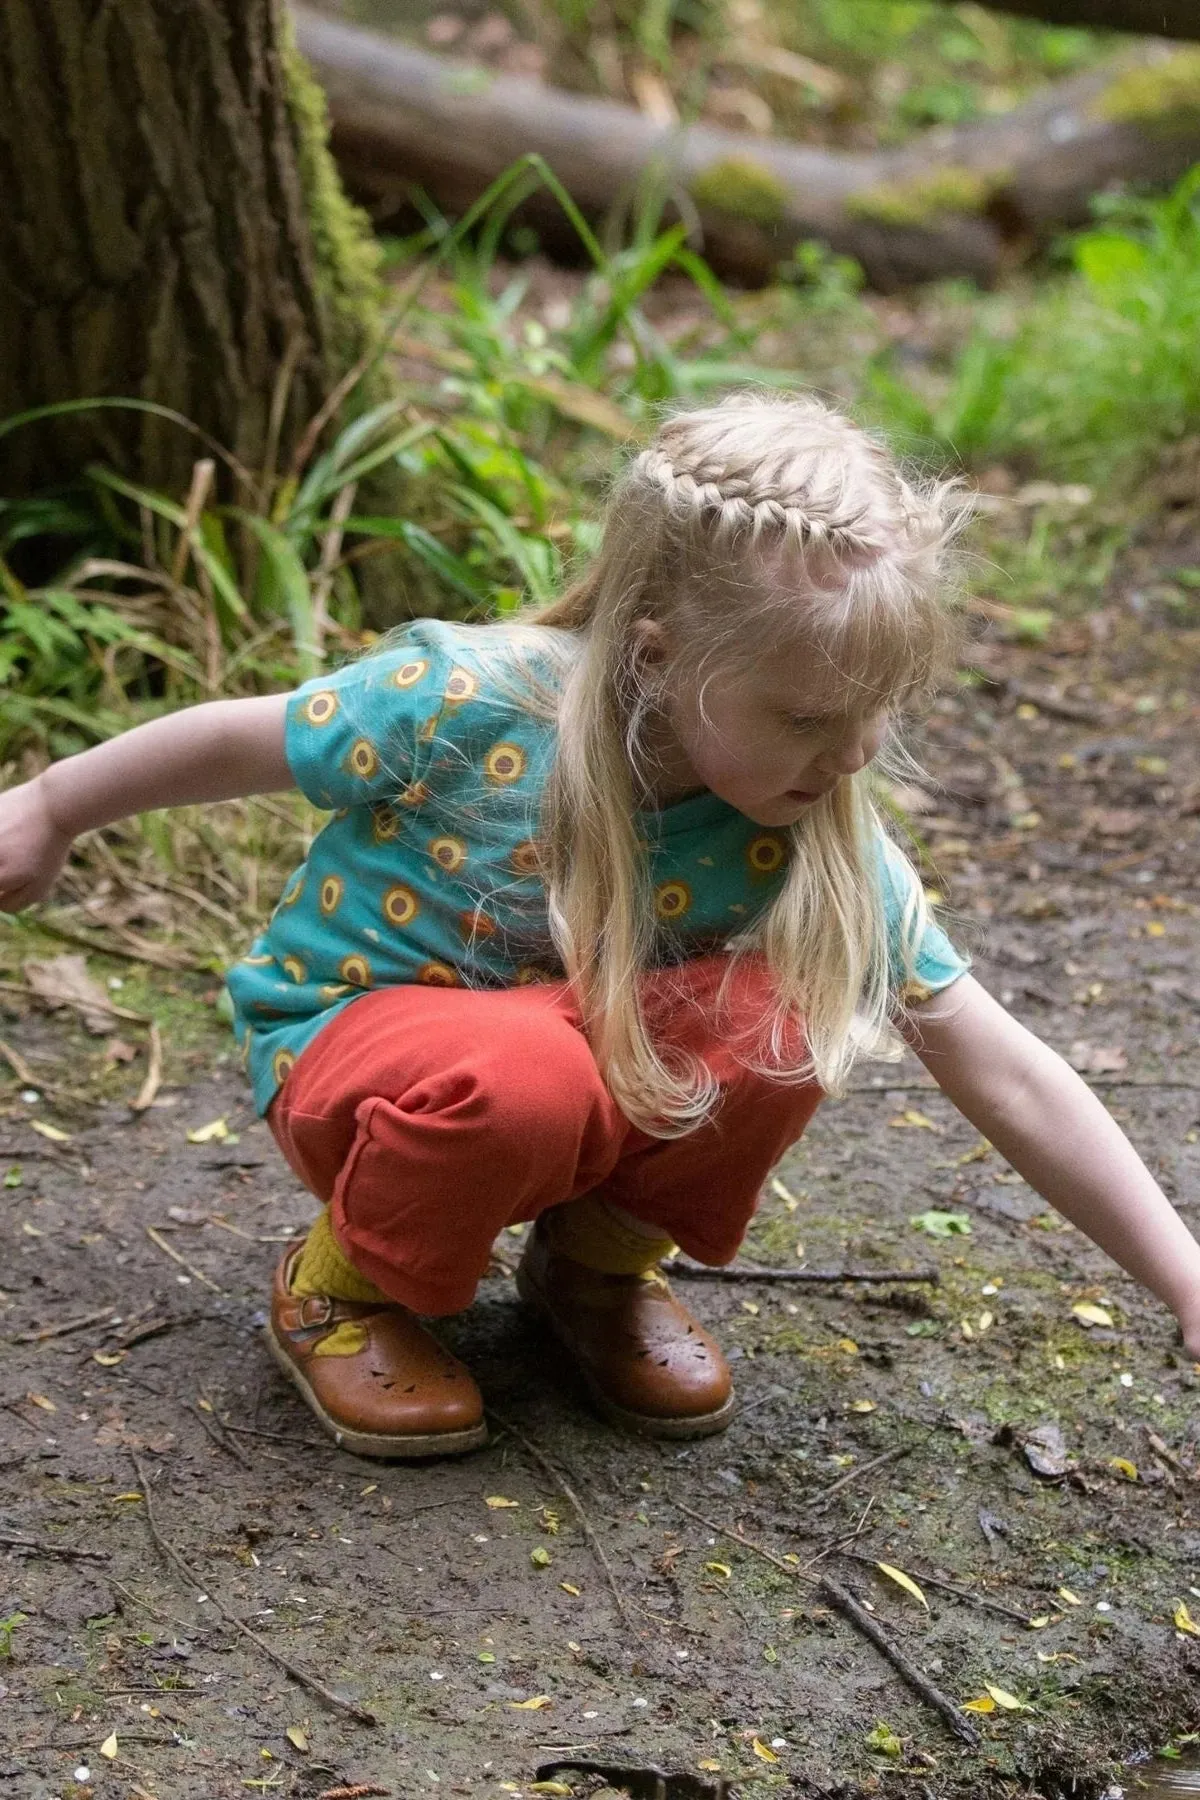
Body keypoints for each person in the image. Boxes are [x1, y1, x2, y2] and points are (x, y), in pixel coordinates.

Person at [2, 392, 1198, 1461]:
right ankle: (342, 1284)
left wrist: (1182, 1276)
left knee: (782, 1017)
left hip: (578, 1071)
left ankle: (589, 1269)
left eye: (879, 711)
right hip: (362, 1058)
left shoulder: (810, 821)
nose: (852, 757)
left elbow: (1008, 1070)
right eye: (806, 717)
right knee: (526, 1073)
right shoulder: (471, 703)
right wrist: (52, 807)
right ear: (659, 656)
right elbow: (241, 738)